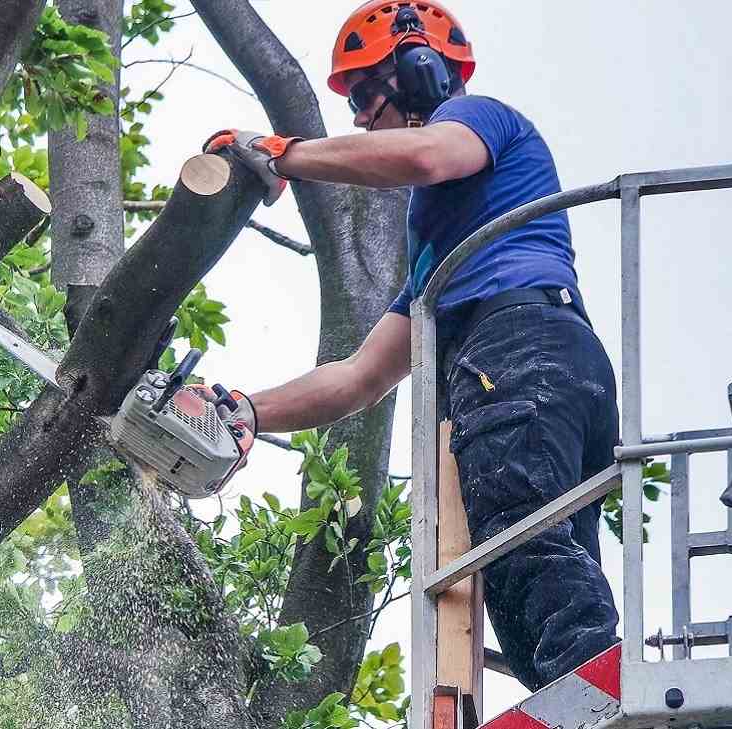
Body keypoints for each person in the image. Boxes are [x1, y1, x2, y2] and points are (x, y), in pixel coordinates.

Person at [201, 0, 620, 689]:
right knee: (529, 592)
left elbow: (424, 154)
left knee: (523, 536)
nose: (362, 116)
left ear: (421, 69)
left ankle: (599, 695)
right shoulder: (441, 255)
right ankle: (581, 692)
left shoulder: (478, 118)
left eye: (368, 93)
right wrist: (244, 410)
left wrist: (285, 154)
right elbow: (360, 376)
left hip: (522, 349)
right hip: (533, 361)